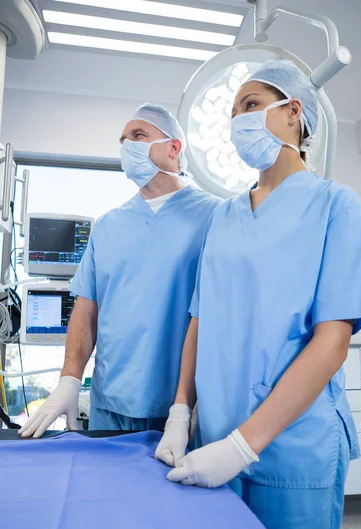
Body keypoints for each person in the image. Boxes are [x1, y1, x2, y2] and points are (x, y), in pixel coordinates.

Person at [155, 61, 361, 529]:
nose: (238, 119)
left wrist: (243, 446)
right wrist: (180, 411)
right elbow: (201, 317)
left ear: (293, 113)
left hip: (293, 447)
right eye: (233, 111)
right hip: (211, 438)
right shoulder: (224, 217)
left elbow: (332, 343)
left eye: (250, 104)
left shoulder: (337, 206)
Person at [19, 103, 219, 438]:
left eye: (139, 135)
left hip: (179, 409)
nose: (127, 145)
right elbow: (86, 309)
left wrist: (192, 405)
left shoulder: (215, 216)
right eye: (123, 139)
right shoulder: (109, 225)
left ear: (174, 148)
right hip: (109, 404)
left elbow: (220, 313)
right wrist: (69, 378)